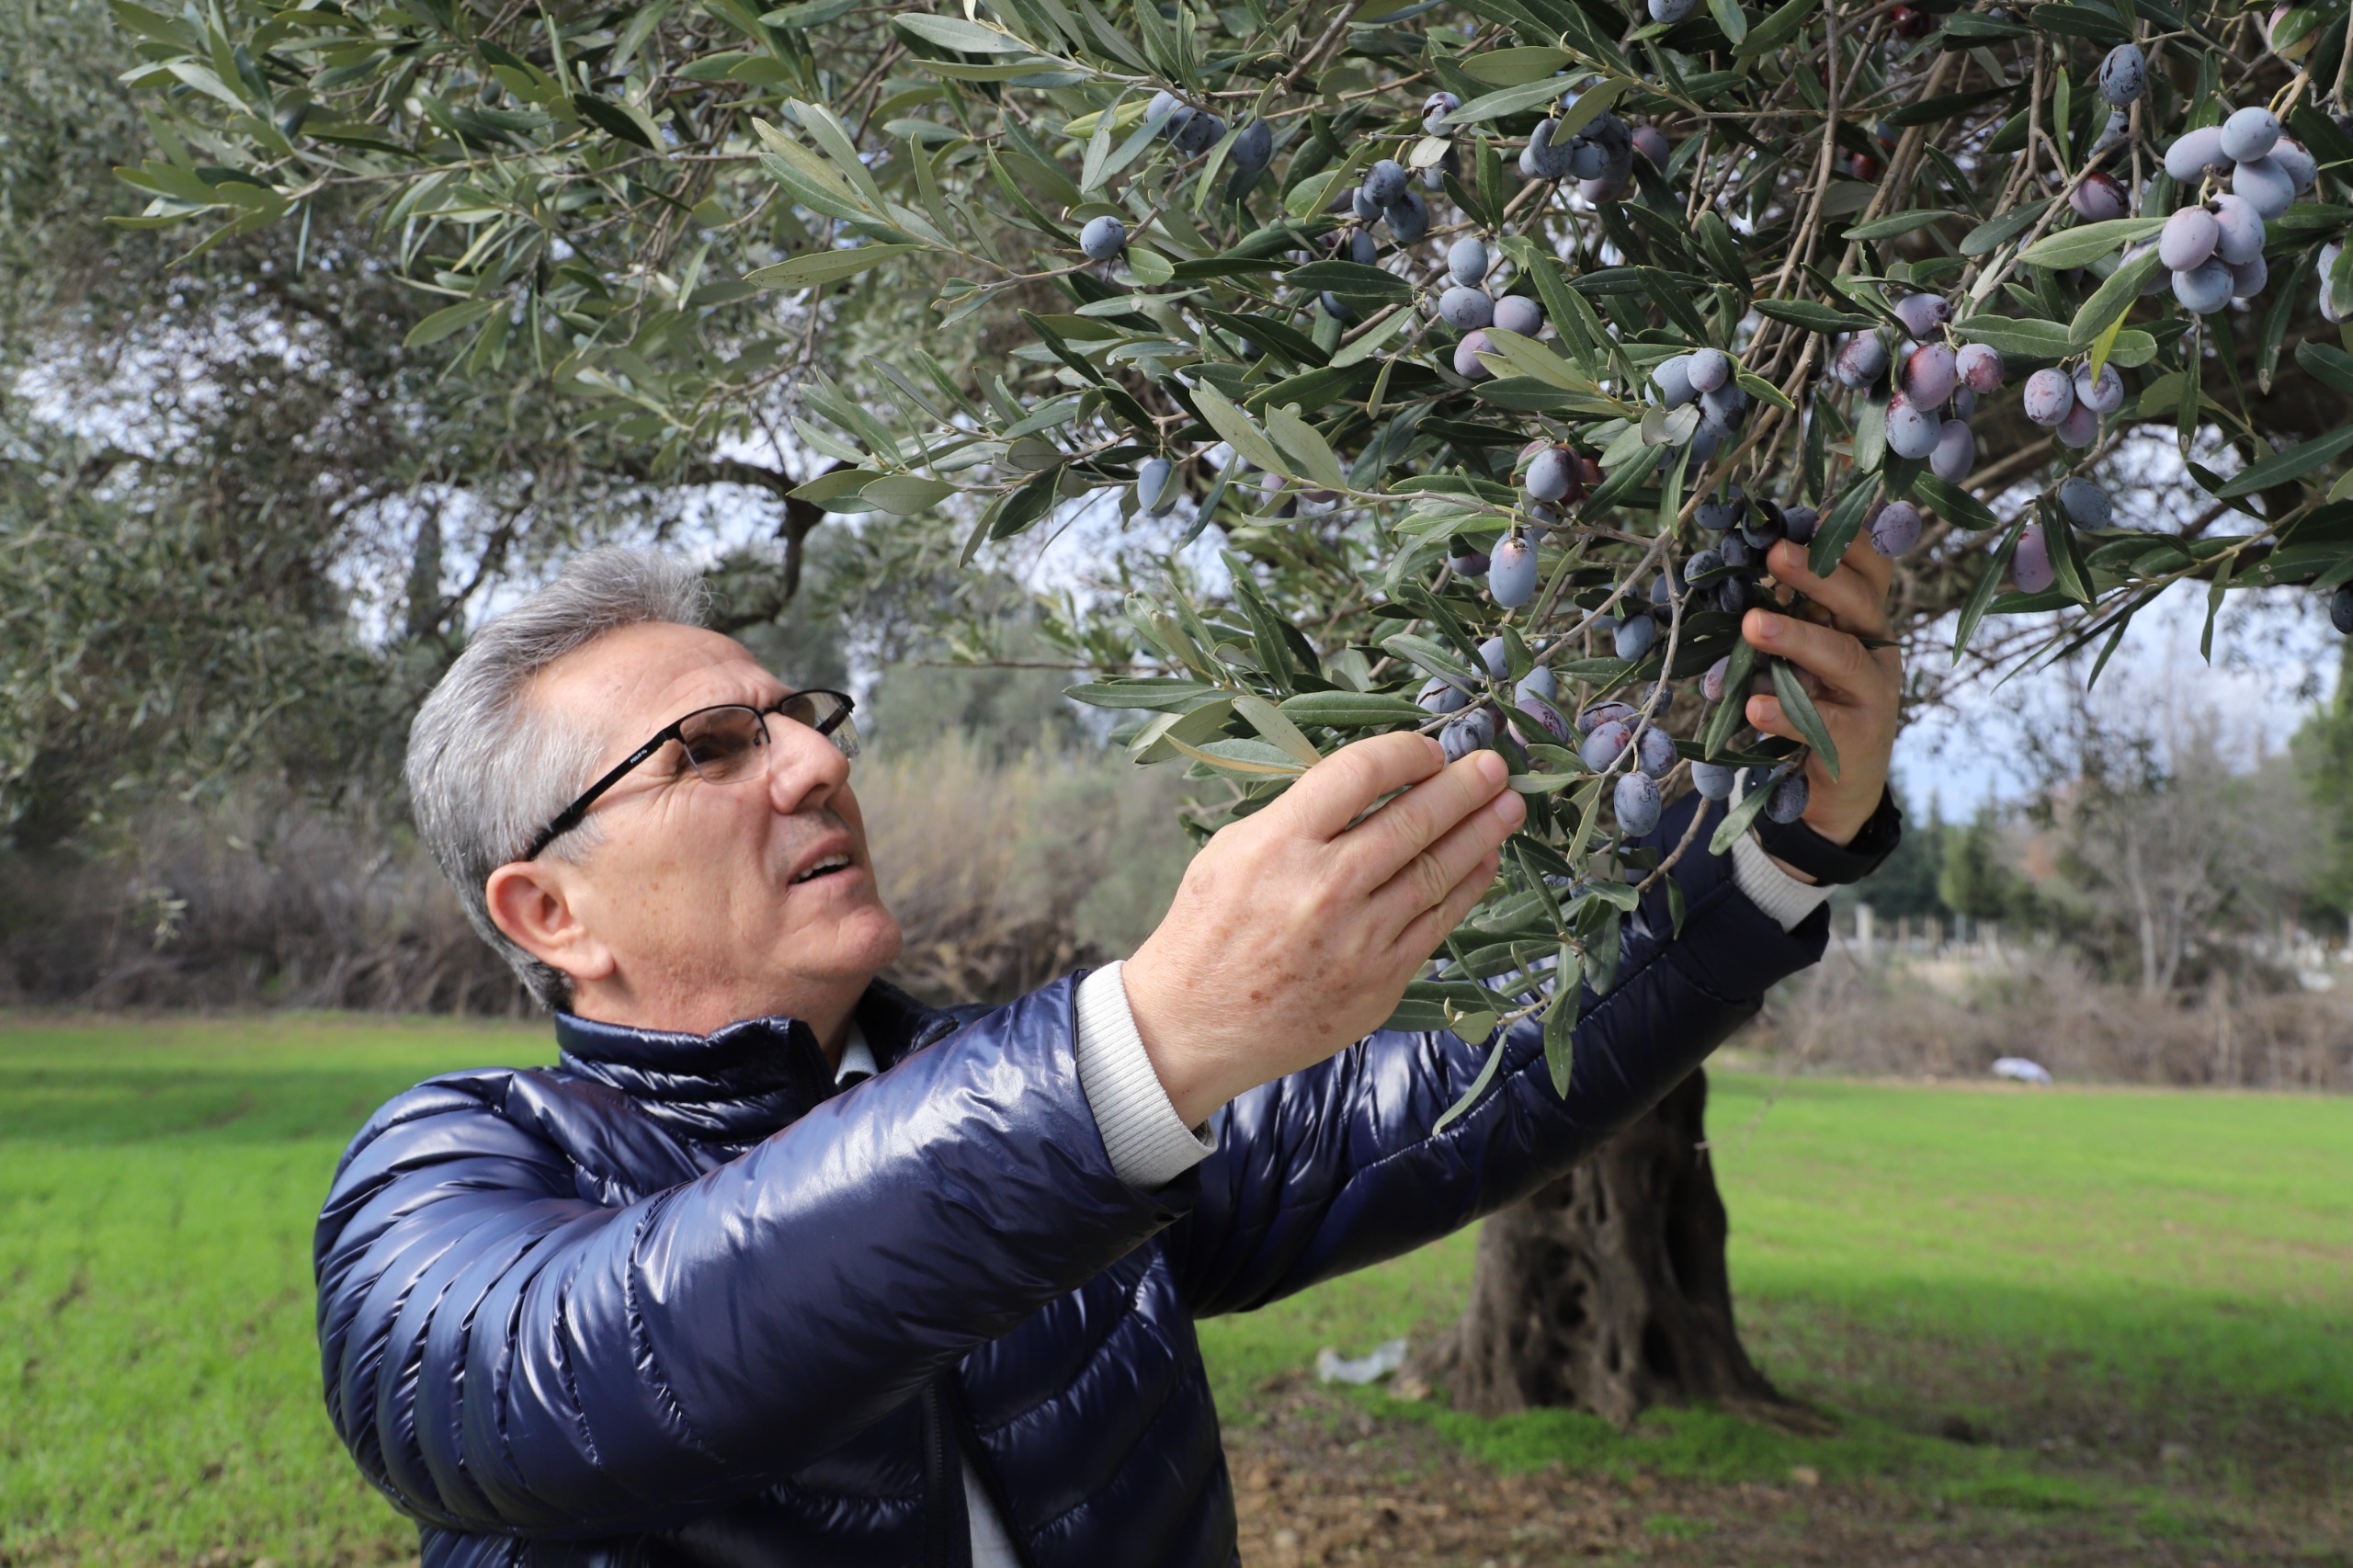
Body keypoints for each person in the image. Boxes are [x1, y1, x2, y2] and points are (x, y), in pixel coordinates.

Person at [318, 542, 1902, 1567]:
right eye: (712, 751)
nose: (815, 759)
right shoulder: (451, 1172)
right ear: (549, 906)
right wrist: (1133, 1048)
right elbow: (562, 1374)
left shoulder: (1069, 1116)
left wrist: (1784, 857)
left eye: (795, 715)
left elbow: (1456, 1092)